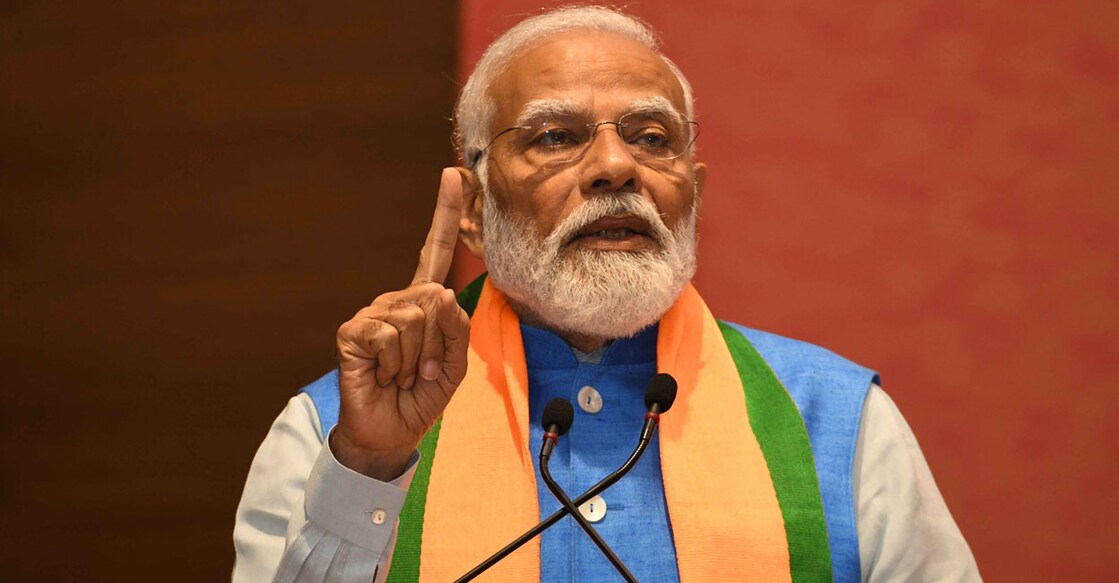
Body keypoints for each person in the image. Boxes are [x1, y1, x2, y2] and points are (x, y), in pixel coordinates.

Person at [233, 6, 980, 583]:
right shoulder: (335, 432)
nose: (616, 166)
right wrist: (368, 469)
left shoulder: (839, 424)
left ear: (695, 192)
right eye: (556, 135)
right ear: (473, 209)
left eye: (652, 137)